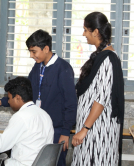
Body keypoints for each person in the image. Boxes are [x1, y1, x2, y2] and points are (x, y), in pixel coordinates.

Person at [0, 29, 77, 166]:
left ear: (46, 48)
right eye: (30, 52)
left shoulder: (63, 68)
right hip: (37, 129)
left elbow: (71, 103)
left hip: (56, 129)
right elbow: (23, 94)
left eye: (34, 51)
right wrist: (0, 102)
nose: (31, 55)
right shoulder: (37, 67)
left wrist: (66, 132)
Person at [72, 12, 124, 165]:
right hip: (90, 130)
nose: (84, 34)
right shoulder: (99, 56)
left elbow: (101, 99)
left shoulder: (108, 59)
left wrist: (84, 129)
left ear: (95, 31)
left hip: (98, 131)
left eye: (86, 30)